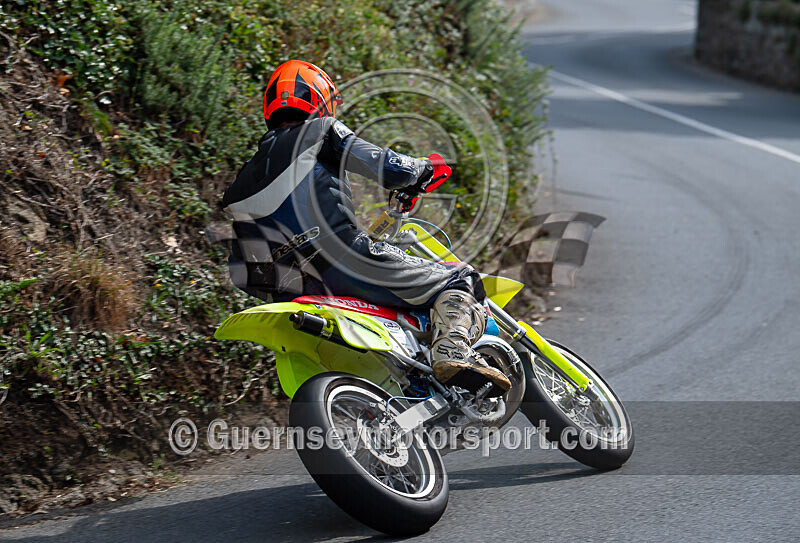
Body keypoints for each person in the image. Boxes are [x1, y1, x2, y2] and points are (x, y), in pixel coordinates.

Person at [222, 60, 510, 394]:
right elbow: (387, 166)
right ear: (319, 98)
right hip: (337, 255)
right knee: (460, 278)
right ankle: (452, 349)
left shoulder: (240, 182)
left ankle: (405, 382)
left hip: (281, 286)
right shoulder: (320, 131)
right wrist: (422, 170)